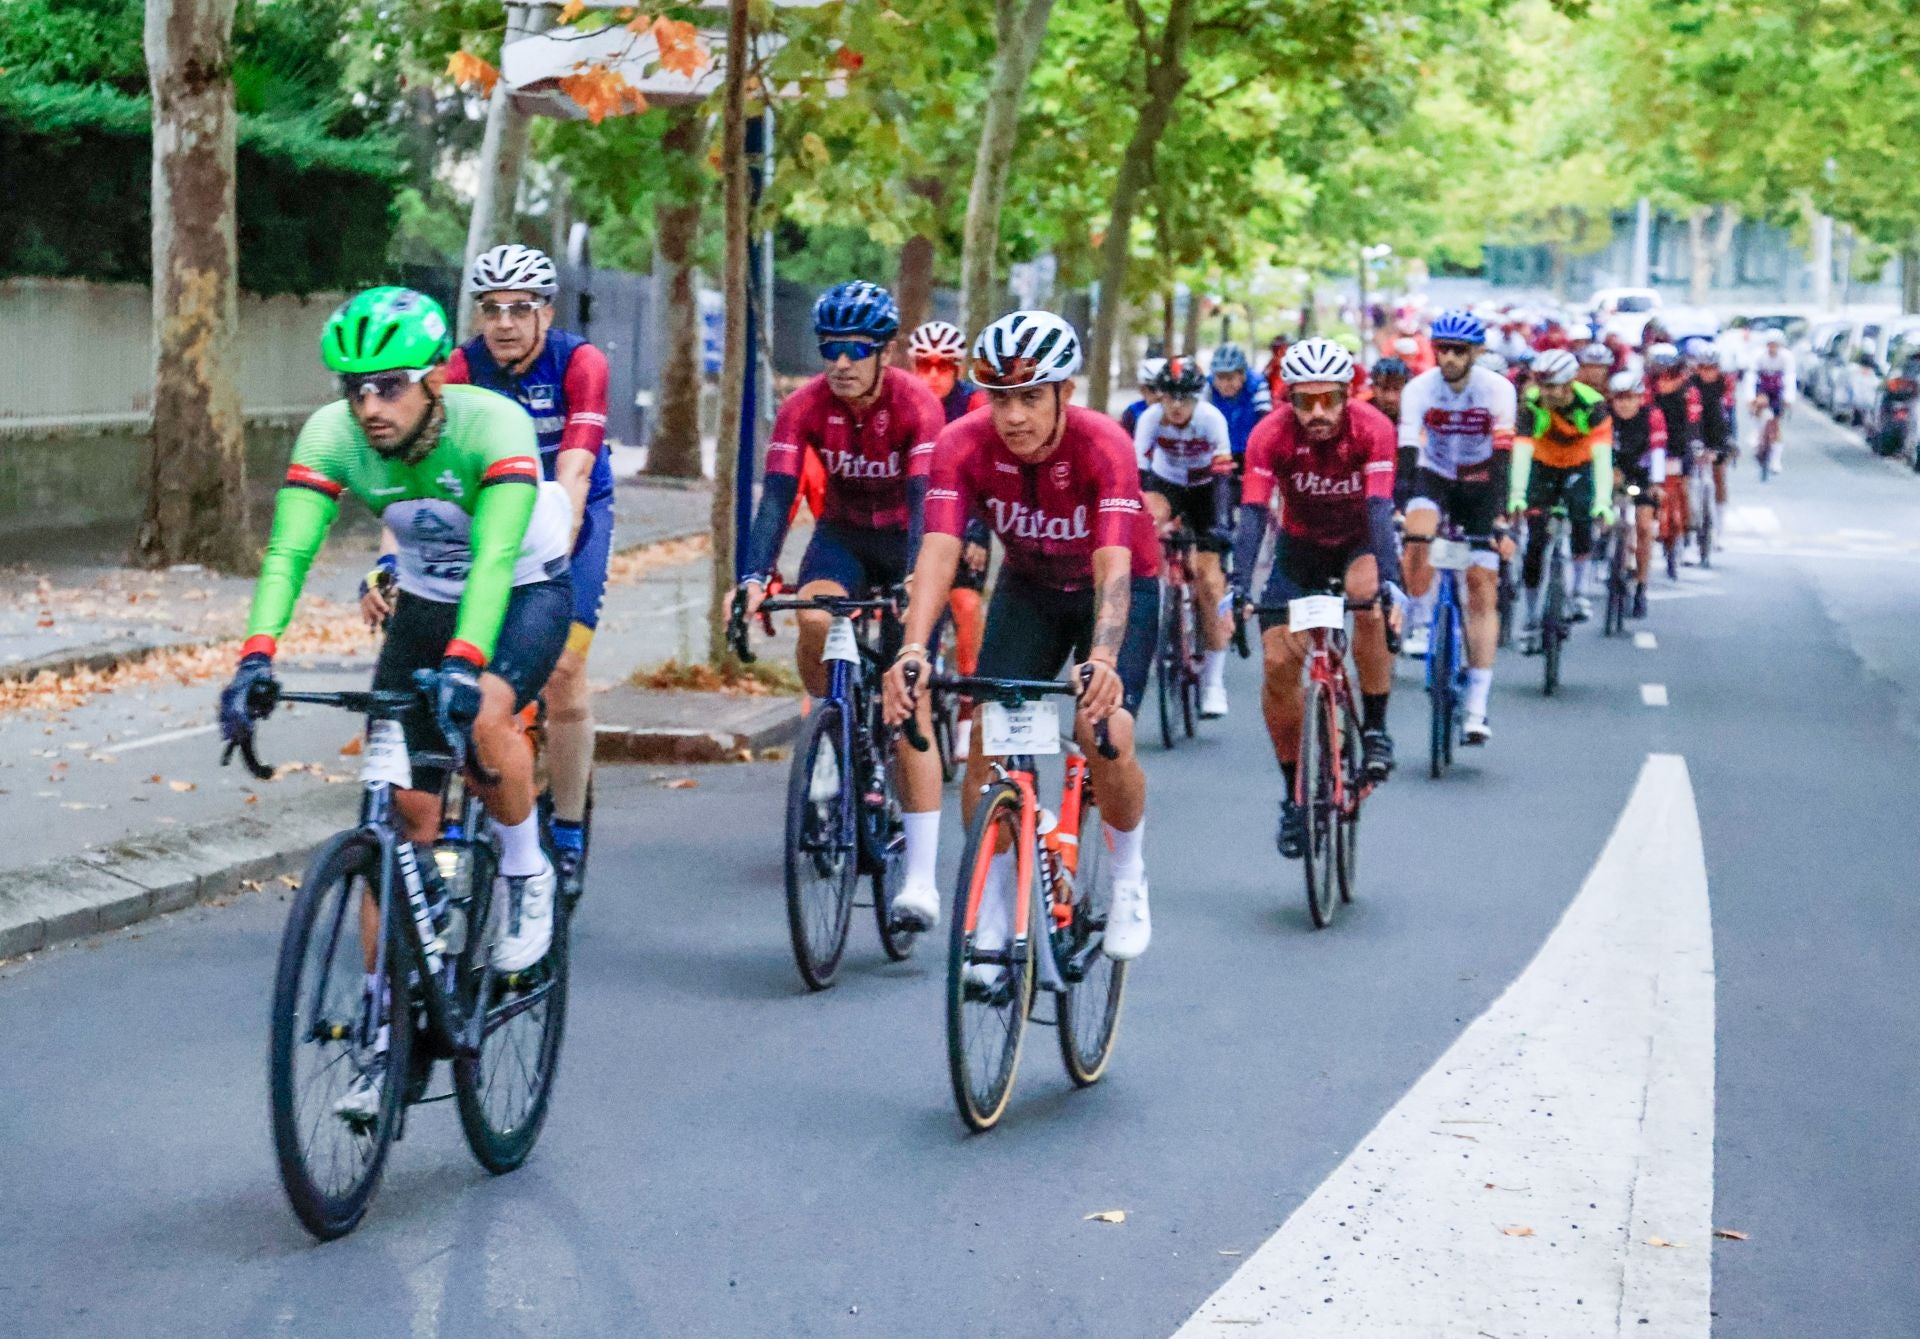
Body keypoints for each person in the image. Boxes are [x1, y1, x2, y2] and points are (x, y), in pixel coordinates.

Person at [220, 289, 576, 1117]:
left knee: (485, 712)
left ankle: (527, 876)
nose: (367, 405)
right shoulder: (334, 435)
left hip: (521, 589)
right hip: (422, 601)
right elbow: (289, 550)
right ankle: (388, 1036)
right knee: (399, 816)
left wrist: (462, 663)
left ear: (434, 385)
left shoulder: (492, 426)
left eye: (387, 385)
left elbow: (492, 561)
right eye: (353, 388)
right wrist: (255, 657)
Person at [883, 310, 1160, 965]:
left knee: (1105, 733)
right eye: (1000, 397)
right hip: (1031, 588)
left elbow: (1113, 563)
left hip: (1115, 589)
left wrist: (1102, 657)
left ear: (1065, 392)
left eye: (1031, 396)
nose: (1012, 416)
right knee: (988, 739)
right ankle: (999, 904)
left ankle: (1128, 881)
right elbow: (939, 547)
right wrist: (914, 649)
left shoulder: (1103, 445)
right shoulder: (961, 442)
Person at [737, 281, 948, 930]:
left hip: (908, 537)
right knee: (813, 615)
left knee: (914, 699)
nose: (841, 362)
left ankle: (920, 880)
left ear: (885, 351)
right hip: (844, 537)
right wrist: (753, 576)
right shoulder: (804, 406)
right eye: (831, 348)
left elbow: (923, 505)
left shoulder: (917, 405)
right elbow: (777, 496)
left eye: (857, 349)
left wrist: (916, 578)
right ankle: (831, 728)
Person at [442, 243, 609, 899]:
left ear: (546, 311)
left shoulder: (580, 362)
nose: (504, 322)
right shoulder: (463, 366)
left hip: (571, 512)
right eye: (491, 309)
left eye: (519, 308)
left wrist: (557, 544)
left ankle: (566, 829)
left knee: (564, 669)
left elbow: (575, 467)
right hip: (489, 513)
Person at [1232, 338, 1399, 858]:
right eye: (1306, 401)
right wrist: (1239, 584)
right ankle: (1294, 794)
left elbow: (1377, 509)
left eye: (1330, 399)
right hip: (1300, 550)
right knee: (1279, 662)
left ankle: (1375, 728)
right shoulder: (1270, 435)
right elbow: (1255, 514)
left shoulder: (1374, 429)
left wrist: (1392, 582)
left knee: (1365, 596)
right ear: (1289, 399)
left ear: (1348, 394)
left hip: (1358, 543)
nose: (1319, 412)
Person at [1397, 309, 1516, 743]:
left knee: (1482, 585)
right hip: (1435, 477)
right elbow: (1408, 454)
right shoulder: (1419, 389)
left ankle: (1477, 706)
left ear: (1476, 352)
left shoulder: (1498, 390)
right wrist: (1400, 507)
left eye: (1458, 351)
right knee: (1416, 538)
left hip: (1482, 484)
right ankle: (1422, 618)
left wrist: (1499, 519)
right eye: (1441, 349)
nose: (1448, 358)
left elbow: (1503, 458)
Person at [908, 319, 993, 757]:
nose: (934, 375)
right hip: (916, 519)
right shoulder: (904, 401)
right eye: (925, 365)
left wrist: (978, 534)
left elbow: (984, 473)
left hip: (965, 517)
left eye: (944, 366)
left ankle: (965, 708)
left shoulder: (973, 404)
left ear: (958, 369)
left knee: (964, 605)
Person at [1133, 359, 1236, 716]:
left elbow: (1224, 478)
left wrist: (1221, 526)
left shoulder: (1211, 419)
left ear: (1197, 398)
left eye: (1185, 398)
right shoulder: (1150, 419)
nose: (1176, 406)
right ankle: (1161, 592)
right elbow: (1140, 478)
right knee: (1147, 517)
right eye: (1169, 398)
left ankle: (1213, 683)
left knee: (1209, 582)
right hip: (1168, 485)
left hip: (1207, 491)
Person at [1510, 347, 1613, 641]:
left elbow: (1603, 455)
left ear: (1569, 384)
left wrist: (1603, 501)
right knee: (1535, 542)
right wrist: (1517, 494)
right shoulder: (1530, 403)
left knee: (1583, 518)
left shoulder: (1593, 405)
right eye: (1542, 385)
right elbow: (1522, 450)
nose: (1547, 393)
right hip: (1542, 467)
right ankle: (1530, 618)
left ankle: (1579, 591)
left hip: (1579, 465)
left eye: (1553, 386)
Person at [1607, 369, 1666, 620]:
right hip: (1614, 470)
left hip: (1643, 474)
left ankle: (1641, 586)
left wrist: (1657, 482)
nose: (1625, 404)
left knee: (1644, 527)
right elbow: (1599, 448)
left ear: (1640, 398)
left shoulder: (1653, 416)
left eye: (1630, 398)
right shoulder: (1605, 417)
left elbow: (1658, 452)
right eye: (1619, 398)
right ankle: (1606, 551)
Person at [1646, 342, 1699, 561]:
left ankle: (1688, 537)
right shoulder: (1645, 386)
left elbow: (1694, 419)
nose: (1662, 372)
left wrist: (1695, 442)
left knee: (1683, 489)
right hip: (1651, 445)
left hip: (1679, 445)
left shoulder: (1689, 389)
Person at [1206, 342, 1274, 463]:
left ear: (1243, 375)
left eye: (1230, 378)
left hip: (1249, 451)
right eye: (1220, 378)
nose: (1224, 384)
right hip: (1216, 452)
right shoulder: (1207, 385)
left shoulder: (1257, 384)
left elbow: (1265, 421)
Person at [1688, 342, 1736, 506]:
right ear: (1697, 368)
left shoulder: (1725, 383)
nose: (1707, 372)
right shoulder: (1690, 383)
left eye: (1712, 368)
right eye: (1703, 367)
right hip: (1695, 429)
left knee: (1719, 474)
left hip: (1717, 429)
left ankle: (1720, 515)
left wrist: (1729, 441)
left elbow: (1729, 413)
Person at [1744, 328, 1796, 475]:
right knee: (1759, 405)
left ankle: (1775, 460)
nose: (1772, 348)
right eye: (1770, 345)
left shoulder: (1787, 357)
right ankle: (1756, 430)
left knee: (1776, 424)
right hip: (1762, 386)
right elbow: (1751, 377)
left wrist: (1788, 398)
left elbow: (1790, 378)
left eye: (1776, 345)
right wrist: (1750, 398)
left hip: (1777, 388)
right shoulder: (1758, 356)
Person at [1120, 356, 1167, 436]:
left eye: (1166, 388)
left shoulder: (1185, 414)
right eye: (1153, 388)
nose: (1160, 394)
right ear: (1142, 390)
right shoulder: (1132, 413)